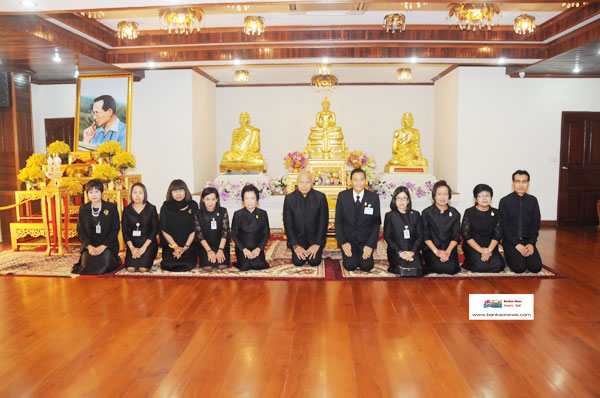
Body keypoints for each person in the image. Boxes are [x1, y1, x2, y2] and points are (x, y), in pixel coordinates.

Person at [335, 168, 381, 272]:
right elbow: (338, 222)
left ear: (365, 181)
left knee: (366, 266)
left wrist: (370, 245)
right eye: (355, 180)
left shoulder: (373, 198)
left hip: (365, 240)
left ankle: (364, 253)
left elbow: (376, 224)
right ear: (350, 181)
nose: (359, 183)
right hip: (348, 241)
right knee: (350, 266)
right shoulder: (343, 196)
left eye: (361, 179)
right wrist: (343, 242)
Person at [72, 179, 121, 275]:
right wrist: (90, 247)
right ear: (87, 194)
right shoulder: (83, 209)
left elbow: (115, 229)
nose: (94, 195)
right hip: (90, 245)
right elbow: (81, 231)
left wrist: (102, 247)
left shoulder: (111, 208)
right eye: (91, 192)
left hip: (107, 245)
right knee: (86, 264)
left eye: (97, 191)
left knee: (105, 263)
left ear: (102, 193)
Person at [498, 170, 542, 273]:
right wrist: (516, 244)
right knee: (519, 268)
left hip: (528, 241)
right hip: (511, 242)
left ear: (528, 183)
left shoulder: (533, 200)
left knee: (535, 268)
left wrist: (531, 243)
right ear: (513, 183)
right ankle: (508, 256)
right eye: (518, 181)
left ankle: (523, 254)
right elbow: (503, 226)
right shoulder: (505, 201)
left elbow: (536, 225)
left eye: (524, 181)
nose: (521, 185)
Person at [283, 170, 329, 266]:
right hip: (298, 239)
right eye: (301, 182)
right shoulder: (289, 198)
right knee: (298, 262)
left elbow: (323, 223)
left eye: (307, 182)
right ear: (297, 183)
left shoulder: (320, 197)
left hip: (314, 238)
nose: (304, 185)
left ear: (312, 183)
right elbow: (288, 224)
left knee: (314, 262)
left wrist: (317, 244)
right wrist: (295, 246)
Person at [461, 184, 505, 273]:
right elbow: (466, 235)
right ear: (475, 198)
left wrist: (488, 250)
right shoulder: (469, 212)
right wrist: (481, 250)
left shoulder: (496, 213)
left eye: (487, 195)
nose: (484, 198)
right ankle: (469, 261)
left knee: (498, 266)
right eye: (480, 196)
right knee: (480, 266)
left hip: (490, 245)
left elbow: (497, 235)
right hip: (473, 245)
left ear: (491, 197)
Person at [422, 180, 461, 275]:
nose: (442, 197)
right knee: (437, 267)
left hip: (449, 249)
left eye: (445, 194)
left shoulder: (455, 213)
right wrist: (437, 252)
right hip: (432, 249)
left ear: (449, 196)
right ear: (434, 196)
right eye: (439, 194)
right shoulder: (427, 213)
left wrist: (447, 252)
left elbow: (456, 236)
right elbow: (425, 236)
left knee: (452, 269)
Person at [383, 186, 424, 276]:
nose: (401, 201)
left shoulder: (416, 215)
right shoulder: (389, 216)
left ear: (408, 200)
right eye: (399, 198)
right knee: (402, 269)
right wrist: (401, 253)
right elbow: (388, 237)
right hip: (396, 251)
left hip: (412, 250)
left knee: (417, 270)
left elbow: (420, 236)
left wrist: (412, 252)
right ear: (394, 200)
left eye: (404, 198)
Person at [159, 179, 198, 272]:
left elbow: (195, 229)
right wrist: (176, 247)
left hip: (188, 245)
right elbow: (164, 230)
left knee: (188, 264)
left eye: (181, 190)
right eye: (175, 191)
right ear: (170, 192)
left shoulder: (193, 205)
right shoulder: (165, 207)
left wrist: (185, 247)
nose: (178, 193)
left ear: (186, 191)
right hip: (171, 245)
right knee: (167, 264)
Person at [231, 184, 270, 271]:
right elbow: (234, 234)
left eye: (252, 198)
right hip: (243, 248)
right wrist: (244, 249)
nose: (249, 201)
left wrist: (259, 249)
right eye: (246, 198)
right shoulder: (238, 214)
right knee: (245, 267)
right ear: (243, 200)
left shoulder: (263, 214)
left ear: (257, 199)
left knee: (259, 265)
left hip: (257, 248)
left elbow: (266, 233)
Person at [121, 183, 159, 273]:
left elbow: (154, 230)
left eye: (140, 193)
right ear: (131, 194)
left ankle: (149, 257)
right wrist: (132, 248)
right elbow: (125, 231)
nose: (137, 196)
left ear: (145, 194)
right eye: (135, 193)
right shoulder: (127, 210)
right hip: (133, 244)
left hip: (148, 244)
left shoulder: (151, 208)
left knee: (143, 269)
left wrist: (143, 248)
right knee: (130, 269)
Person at [194, 187, 230, 271]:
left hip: (221, 244)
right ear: (203, 200)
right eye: (207, 199)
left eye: (213, 199)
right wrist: (209, 251)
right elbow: (200, 235)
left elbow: (225, 232)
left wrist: (220, 250)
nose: (210, 202)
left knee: (222, 266)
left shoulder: (223, 211)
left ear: (217, 200)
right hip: (206, 245)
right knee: (207, 267)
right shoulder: (198, 214)